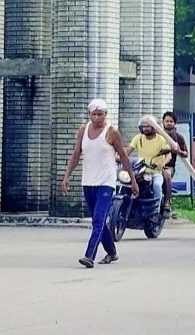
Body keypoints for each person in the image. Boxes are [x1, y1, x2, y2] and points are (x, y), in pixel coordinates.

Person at [59, 99, 138, 269]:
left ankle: (89, 256)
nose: (97, 118)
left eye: (100, 114)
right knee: (98, 220)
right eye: (94, 114)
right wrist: (66, 176)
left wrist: (132, 180)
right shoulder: (83, 130)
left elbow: (123, 156)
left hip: (106, 182)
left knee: (98, 219)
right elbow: (75, 154)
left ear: (105, 114)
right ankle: (111, 252)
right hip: (88, 181)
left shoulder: (112, 133)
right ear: (89, 114)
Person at [160, 111, 189, 217]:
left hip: (168, 166)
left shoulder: (178, 137)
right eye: (167, 121)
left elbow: (185, 153)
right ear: (162, 122)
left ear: (175, 123)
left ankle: (167, 203)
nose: (169, 123)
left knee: (167, 175)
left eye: (171, 121)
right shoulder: (157, 135)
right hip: (153, 165)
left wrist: (178, 151)